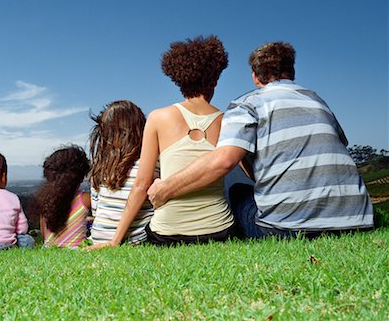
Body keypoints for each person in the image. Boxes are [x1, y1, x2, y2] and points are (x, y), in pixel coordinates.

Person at [148, 41, 374, 238]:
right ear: (291, 72)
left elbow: (224, 160)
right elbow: (339, 143)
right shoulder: (318, 101)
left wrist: (165, 189)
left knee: (237, 192)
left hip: (288, 229)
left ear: (255, 77)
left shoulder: (247, 104)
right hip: (356, 220)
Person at [89, 35, 235, 249]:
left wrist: (114, 241)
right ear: (215, 80)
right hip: (220, 230)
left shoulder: (158, 118)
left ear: (178, 80)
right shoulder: (229, 121)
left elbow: (141, 185)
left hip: (168, 234)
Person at [88, 100, 158, 245]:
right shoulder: (152, 164)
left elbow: (95, 212)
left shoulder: (100, 169)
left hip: (99, 237)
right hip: (136, 239)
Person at [34, 145, 91, 248]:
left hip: (48, 249)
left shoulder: (45, 200)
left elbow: (44, 233)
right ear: (81, 177)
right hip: (76, 250)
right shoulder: (86, 199)